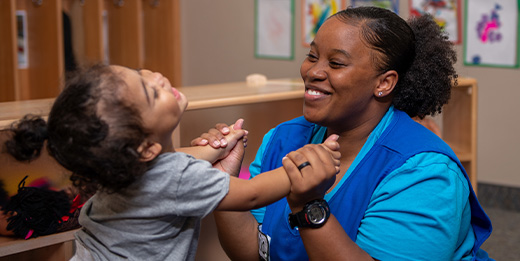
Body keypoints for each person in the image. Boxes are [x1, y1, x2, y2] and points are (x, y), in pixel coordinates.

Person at [192, 6, 493, 261]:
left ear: (384, 83)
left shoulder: (425, 173)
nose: (313, 72)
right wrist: (224, 183)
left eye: (335, 63)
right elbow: (255, 252)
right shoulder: (282, 140)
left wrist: (308, 207)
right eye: (312, 56)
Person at [2, 64, 341, 260]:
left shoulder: (120, 167)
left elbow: (173, 163)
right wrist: (306, 165)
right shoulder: (179, 179)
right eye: (151, 92)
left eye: (143, 74)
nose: (158, 77)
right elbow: (251, 194)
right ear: (147, 147)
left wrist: (215, 149)